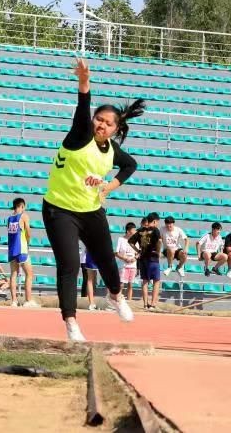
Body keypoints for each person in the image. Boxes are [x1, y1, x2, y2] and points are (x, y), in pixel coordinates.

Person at [41, 59, 141, 341]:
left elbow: (130, 165)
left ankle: (115, 296)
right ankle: (71, 322)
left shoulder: (112, 150)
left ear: (115, 129)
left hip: (91, 210)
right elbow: (83, 104)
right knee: (70, 264)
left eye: (109, 123)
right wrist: (84, 82)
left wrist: (110, 186)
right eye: (99, 119)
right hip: (60, 210)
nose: (102, 125)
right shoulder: (80, 134)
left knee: (107, 259)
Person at [7, 198, 37, 308]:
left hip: (11, 250)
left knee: (13, 275)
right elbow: (28, 231)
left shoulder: (9, 218)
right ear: (22, 206)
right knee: (29, 274)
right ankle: (28, 300)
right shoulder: (24, 216)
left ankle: (14, 301)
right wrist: (28, 242)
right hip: (22, 249)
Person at [129, 213, 162, 311]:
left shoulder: (140, 231)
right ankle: (153, 304)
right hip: (153, 258)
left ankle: (145, 304)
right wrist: (159, 252)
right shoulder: (155, 230)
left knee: (145, 281)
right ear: (155, 221)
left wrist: (138, 250)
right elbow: (159, 241)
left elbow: (130, 242)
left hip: (143, 259)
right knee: (156, 281)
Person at [115, 222, 138, 301]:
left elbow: (139, 253)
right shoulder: (121, 239)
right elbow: (116, 253)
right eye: (133, 230)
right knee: (121, 284)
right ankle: (118, 300)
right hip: (123, 266)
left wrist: (134, 258)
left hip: (133, 266)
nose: (135, 232)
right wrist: (124, 258)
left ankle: (129, 301)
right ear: (128, 231)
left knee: (130, 285)